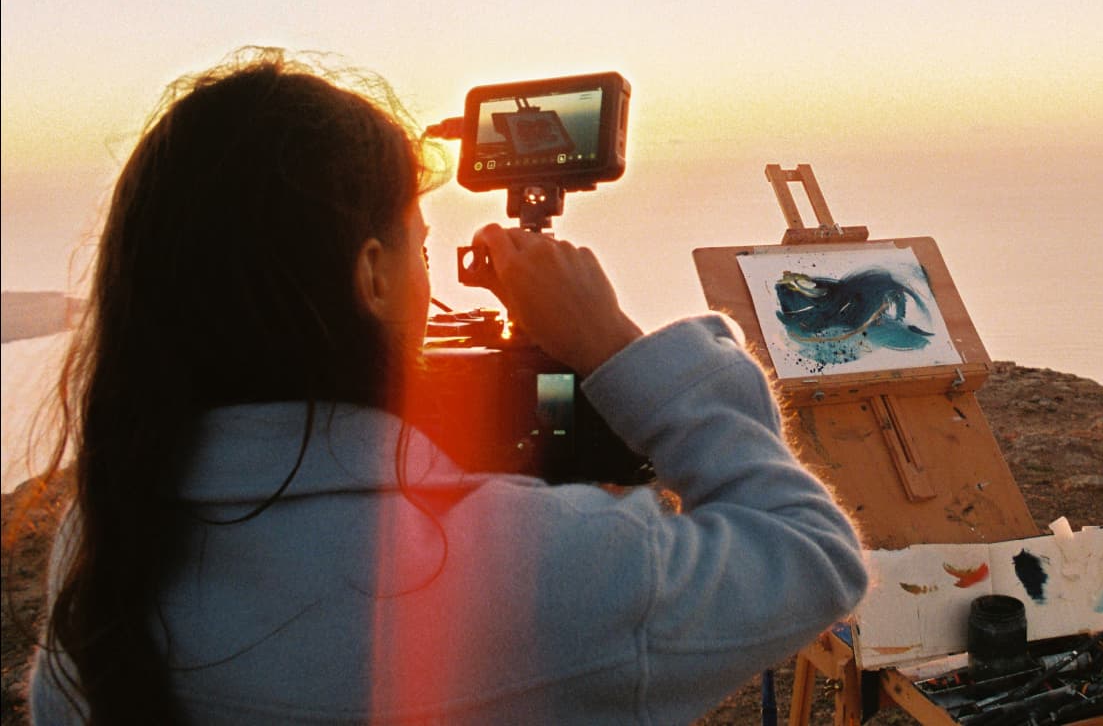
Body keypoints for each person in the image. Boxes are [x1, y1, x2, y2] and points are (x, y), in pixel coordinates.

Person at [26, 49, 868, 724]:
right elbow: (809, 554)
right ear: (373, 275)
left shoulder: (103, 542)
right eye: (419, 248)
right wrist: (609, 345)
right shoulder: (525, 568)